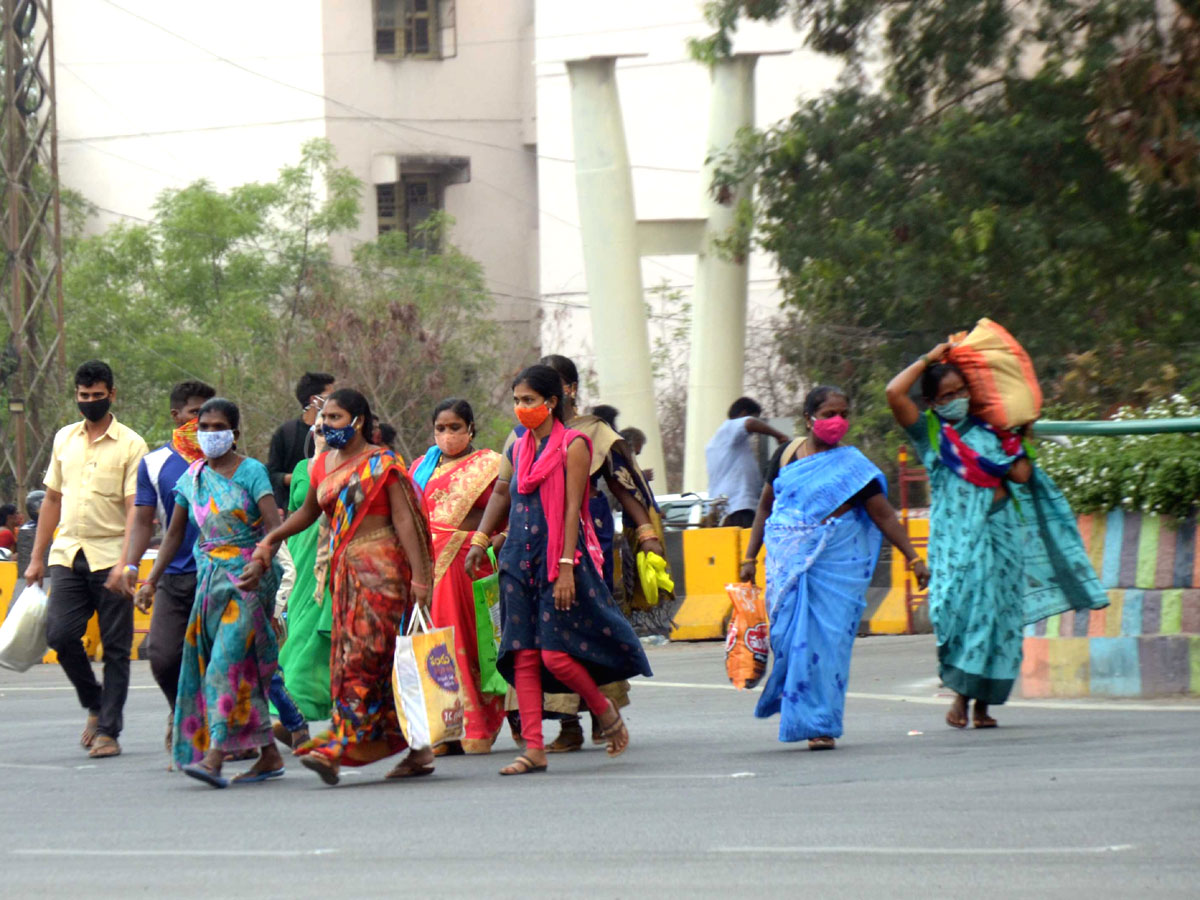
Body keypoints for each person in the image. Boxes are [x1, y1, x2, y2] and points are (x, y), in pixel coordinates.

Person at [886, 343, 1107, 728]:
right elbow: (893, 393)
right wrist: (928, 358)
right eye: (947, 395)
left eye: (961, 392)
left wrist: (1022, 436)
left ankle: (978, 705)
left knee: (999, 616)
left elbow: (1020, 475)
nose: (956, 400)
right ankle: (960, 691)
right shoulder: (930, 436)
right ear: (932, 402)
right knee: (959, 611)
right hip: (956, 543)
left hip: (1000, 531)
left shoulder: (993, 433)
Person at [465, 364, 652, 775]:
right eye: (516, 400)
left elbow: (572, 508)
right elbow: (502, 493)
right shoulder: (516, 448)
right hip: (517, 559)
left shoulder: (575, 444)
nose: (521, 408)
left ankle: (604, 711)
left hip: (558, 560)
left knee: (556, 655)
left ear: (551, 402)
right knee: (524, 655)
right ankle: (534, 748)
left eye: (528, 400)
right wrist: (480, 540)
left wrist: (566, 566)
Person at [248, 388, 437, 785]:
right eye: (324, 419)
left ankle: (339, 747)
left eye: (336, 418)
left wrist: (421, 579)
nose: (327, 426)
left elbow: (406, 522)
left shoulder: (383, 464)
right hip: (345, 576)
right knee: (357, 661)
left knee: (364, 661)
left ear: (359, 421)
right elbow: (307, 512)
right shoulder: (323, 465)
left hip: (384, 572)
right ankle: (417, 750)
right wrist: (271, 539)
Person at [740, 386, 930, 749]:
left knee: (825, 647)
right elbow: (765, 507)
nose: (837, 421)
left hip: (834, 568)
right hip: (786, 563)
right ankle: (798, 705)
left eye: (843, 413)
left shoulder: (854, 468)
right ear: (809, 417)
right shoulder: (785, 455)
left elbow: (883, 515)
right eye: (829, 414)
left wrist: (914, 558)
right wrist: (750, 556)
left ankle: (819, 724)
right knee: (787, 639)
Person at [137, 398, 285, 787]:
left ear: (235, 433)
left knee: (222, 667)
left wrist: (260, 559)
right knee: (241, 671)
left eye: (218, 427)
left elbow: (273, 527)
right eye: (203, 426)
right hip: (210, 587)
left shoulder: (252, 472)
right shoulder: (193, 477)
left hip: (247, 584)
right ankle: (269, 754)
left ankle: (214, 757)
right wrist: (150, 580)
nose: (209, 434)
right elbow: (173, 535)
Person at [535, 354, 673, 751]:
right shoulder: (526, 435)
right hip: (541, 539)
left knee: (591, 623)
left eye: (553, 384)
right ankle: (567, 725)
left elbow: (624, 485)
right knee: (552, 630)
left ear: (570, 389)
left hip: (587, 536)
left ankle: (602, 712)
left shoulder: (594, 433)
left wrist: (646, 532)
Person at [25, 360, 148, 759]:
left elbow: (136, 509)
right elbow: (53, 501)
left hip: (112, 555)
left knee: (115, 647)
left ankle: (108, 731)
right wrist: (36, 558)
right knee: (60, 635)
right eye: (83, 396)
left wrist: (127, 562)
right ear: (76, 396)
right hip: (67, 553)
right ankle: (95, 701)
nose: (90, 402)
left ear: (112, 395)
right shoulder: (64, 438)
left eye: (97, 396)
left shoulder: (132, 444)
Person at [411, 398, 506, 754]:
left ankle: (476, 726)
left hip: (468, 563)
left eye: (455, 428)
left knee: (468, 645)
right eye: (440, 428)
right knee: (434, 646)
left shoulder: (491, 464)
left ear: (470, 429)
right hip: (426, 565)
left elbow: (507, 514)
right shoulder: (421, 467)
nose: (447, 435)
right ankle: (443, 729)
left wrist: (493, 541)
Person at [126, 380, 215, 751]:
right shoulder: (153, 463)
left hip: (220, 575)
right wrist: (132, 569)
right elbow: (145, 520)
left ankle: (226, 731)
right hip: (173, 576)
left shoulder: (229, 460)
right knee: (163, 657)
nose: (204, 422)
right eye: (196, 413)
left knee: (220, 659)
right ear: (176, 416)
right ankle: (179, 710)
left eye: (210, 414)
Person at [275, 426, 333, 722]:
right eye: (320, 429)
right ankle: (297, 701)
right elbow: (298, 509)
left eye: (331, 427)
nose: (324, 434)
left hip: (332, 554)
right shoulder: (301, 468)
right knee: (296, 627)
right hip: (300, 555)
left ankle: (298, 700)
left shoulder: (349, 468)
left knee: (314, 632)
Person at [706, 397, 791, 528]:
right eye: (757, 417)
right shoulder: (730, 428)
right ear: (743, 414)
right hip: (739, 508)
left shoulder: (720, 442)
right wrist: (779, 435)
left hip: (726, 509)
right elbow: (750, 423)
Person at [267, 372, 336, 512]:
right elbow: (272, 474)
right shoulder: (286, 433)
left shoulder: (338, 431)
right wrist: (299, 477)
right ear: (314, 400)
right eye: (330, 397)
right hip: (296, 510)